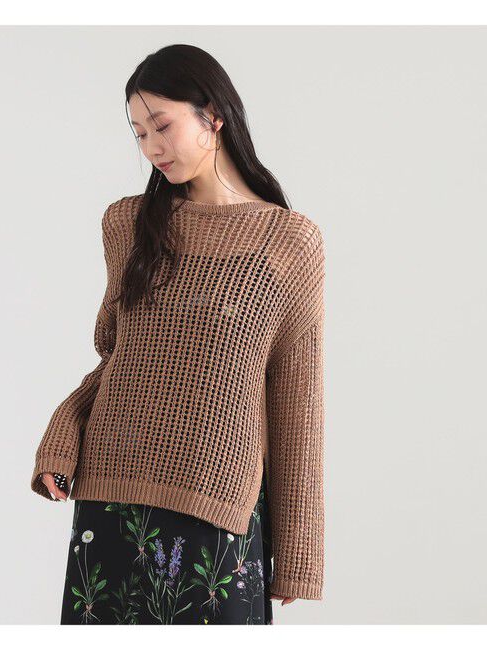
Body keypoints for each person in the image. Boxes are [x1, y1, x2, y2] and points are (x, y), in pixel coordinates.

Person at [31, 43, 325, 625]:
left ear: (212, 116)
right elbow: (119, 358)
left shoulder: (290, 243)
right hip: (112, 493)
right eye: (139, 134)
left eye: (162, 126)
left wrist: (299, 554)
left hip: (216, 504)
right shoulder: (128, 224)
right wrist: (64, 429)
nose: (151, 148)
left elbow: (297, 400)